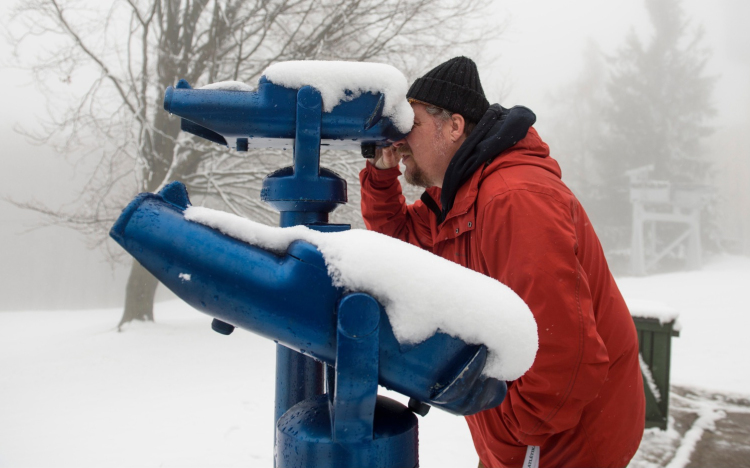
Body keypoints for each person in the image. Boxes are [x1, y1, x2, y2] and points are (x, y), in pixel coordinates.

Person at [359, 56, 645, 468]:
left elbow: (563, 355)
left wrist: (511, 439)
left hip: (566, 446)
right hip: (534, 441)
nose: (400, 141)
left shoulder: (515, 199)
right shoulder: (460, 199)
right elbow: (400, 249)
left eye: (413, 125)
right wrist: (382, 174)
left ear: (454, 126)